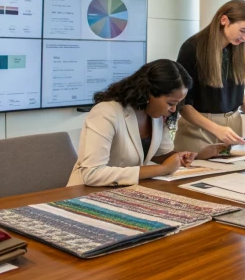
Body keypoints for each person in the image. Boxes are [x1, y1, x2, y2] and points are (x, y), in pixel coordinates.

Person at [68, 59, 222, 187]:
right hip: (85, 193)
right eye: (170, 103)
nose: (174, 110)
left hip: (127, 191)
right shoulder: (106, 113)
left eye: (178, 104)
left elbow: (161, 155)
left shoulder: (156, 115)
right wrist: (161, 170)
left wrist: (193, 156)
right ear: (149, 93)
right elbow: (92, 174)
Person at [175, 0, 245, 151]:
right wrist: (216, 128)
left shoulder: (236, 48)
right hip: (199, 128)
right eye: (243, 31)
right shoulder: (192, 48)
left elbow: (236, 85)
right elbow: (183, 104)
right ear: (224, 20)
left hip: (232, 124)